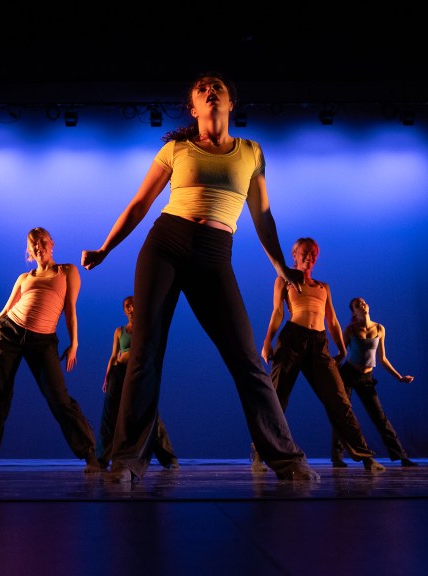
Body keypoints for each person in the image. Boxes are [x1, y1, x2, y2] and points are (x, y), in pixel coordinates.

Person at [81, 71, 318, 483]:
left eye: (217, 88)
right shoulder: (176, 149)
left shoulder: (251, 152)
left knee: (246, 357)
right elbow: (140, 203)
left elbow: (262, 215)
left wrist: (280, 265)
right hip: (165, 245)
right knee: (144, 352)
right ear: (193, 108)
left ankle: (287, 459)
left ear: (230, 103)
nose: (210, 92)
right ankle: (126, 462)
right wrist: (105, 248)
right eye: (202, 89)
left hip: (214, 253)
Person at [0, 227, 100, 474]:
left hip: (43, 340)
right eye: (33, 243)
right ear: (29, 250)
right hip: (8, 334)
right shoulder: (24, 278)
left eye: (42, 241)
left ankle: (90, 455)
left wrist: (74, 343)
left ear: (52, 243)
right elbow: (4, 312)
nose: (38, 246)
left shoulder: (67, 271)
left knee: (59, 398)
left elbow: (70, 309)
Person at [257, 237, 384, 472]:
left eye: (314, 253)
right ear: (295, 255)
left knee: (339, 400)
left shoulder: (323, 287)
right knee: (277, 397)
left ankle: (365, 457)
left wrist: (342, 348)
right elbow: (277, 312)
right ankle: (259, 454)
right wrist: (267, 342)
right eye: (305, 252)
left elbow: (332, 320)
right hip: (293, 339)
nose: (310, 256)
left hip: (318, 343)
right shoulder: (284, 279)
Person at [97, 295, 179, 471]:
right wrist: (107, 378)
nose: (130, 308)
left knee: (148, 412)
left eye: (133, 305)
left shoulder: (145, 328)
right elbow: (113, 357)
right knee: (110, 415)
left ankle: (168, 458)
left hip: (137, 372)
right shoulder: (119, 331)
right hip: (118, 372)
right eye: (127, 306)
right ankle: (101, 459)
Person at [335, 297, 418, 467]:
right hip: (348, 374)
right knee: (342, 414)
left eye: (363, 302)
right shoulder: (350, 329)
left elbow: (382, 358)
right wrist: (329, 370)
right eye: (358, 305)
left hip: (366, 378)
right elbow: (342, 354)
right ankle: (337, 457)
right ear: (354, 311)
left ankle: (401, 456)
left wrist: (399, 377)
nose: (362, 305)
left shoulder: (379, 328)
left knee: (379, 417)